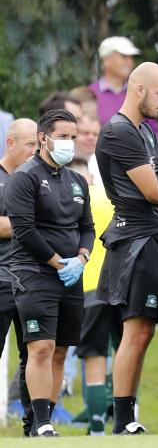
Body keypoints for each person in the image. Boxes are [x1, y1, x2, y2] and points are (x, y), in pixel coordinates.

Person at [93, 63, 158, 434]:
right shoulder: (119, 131)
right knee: (136, 330)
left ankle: (130, 417)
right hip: (135, 240)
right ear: (139, 89)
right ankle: (123, 421)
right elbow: (156, 191)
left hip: (155, 236)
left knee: (144, 332)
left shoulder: (146, 129)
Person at [3, 109, 94, 437]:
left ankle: (47, 419)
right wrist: (58, 262)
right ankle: (39, 423)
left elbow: (87, 227)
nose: (70, 143)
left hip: (71, 276)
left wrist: (81, 258)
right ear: (44, 138)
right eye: (64, 136)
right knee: (39, 346)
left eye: (73, 136)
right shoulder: (24, 177)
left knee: (60, 349)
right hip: (34, 273)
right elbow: (24, 231)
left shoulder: (77, 180)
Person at [69, 155, 116, 437]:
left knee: (95, 360)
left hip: (88, 289)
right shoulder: (114, 199)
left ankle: (97, 426)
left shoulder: (76, 202)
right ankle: (127, 417)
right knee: (126, 355)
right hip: (120, 288)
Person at [0, 118, 38, 436]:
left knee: (33, 355)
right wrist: (30, 222)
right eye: (30, 145)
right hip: (0, 281)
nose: (34, 152)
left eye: (38, 146)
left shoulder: (36, 179)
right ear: (10, 143)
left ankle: (34, 425)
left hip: (31, 281)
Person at [87, 37, 143, 128]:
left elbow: (153, 133)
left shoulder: (139, 93)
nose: (130, 62)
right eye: (124, 56)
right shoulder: (89, 94)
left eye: (131, 57)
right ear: (106, 60)